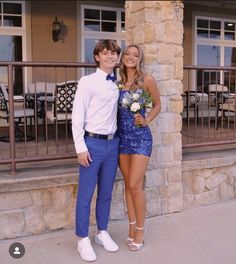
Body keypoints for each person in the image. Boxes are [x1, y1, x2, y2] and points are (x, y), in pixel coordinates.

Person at [72, 39, 121, 262]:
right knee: (86, 193)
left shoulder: (119, 82)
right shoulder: (87, 81)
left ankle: (102, 232)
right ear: (97, 57)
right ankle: (82, 238)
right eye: (106, 53)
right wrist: (80, 147)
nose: (111, 56)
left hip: (113, 144)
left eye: (114, 53)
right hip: (91, 144)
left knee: (106, 193)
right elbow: (77, 116)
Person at [117, 44, 161, 251]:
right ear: (123, 57)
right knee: (127, 184)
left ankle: (141, 229)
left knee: (135, 185)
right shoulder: (117, 82)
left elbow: (157, 105)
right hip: (122, 139)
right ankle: (132, 226)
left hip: (141, 138)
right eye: (128, 54)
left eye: (136, 55)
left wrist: (146, 119)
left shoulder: (146, 80)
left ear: (140, 59)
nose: (131, 57)